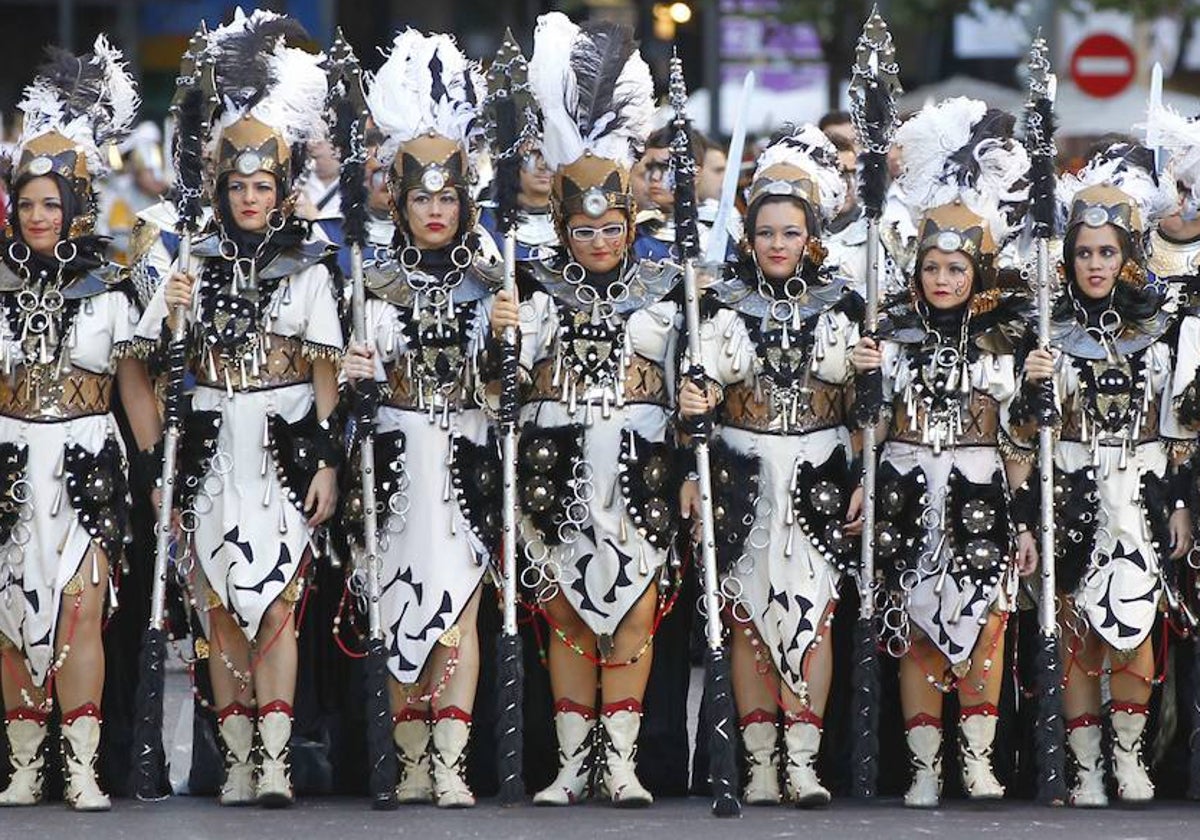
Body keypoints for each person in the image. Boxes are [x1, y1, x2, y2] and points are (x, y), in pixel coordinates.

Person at [132, 10, 341, 807]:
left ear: (281, 190)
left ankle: (280, 757)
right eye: (238, 185)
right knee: (218, 606)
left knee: (282, 603)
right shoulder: (190, 258)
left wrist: (326, 460)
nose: (251, 197)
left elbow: (326, 371)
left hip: (283, 448)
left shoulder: (310, 263)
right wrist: (159, 469)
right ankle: (240, 753)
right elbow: (144, 366)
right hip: (213, 446)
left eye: (264, 185)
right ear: (217, 188)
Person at [490, 12, 677, 807]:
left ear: (631, 223)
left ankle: (623, 758)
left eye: (611, 226)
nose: (599, 240)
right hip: (553, 462)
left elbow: (688, 389)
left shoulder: (671, 288)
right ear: (561, 229)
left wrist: (695, 404)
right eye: (583, 228)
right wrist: (501, 339)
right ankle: (572, 762)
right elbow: (502, 389)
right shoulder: (528, 285)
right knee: (564, 609)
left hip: (641, 463)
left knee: (633, 609)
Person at [850, 99, 1037, 808]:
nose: (942, 281)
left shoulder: (1004, 341)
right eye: (932, 267)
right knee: (917, 623)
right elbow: (867, 429)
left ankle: (978, 759)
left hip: (981, 486)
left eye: (956, 269)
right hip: (903, 483)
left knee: (986, 622)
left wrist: (1022, 519)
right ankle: (926, 767)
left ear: (978, 270)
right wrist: (867, 391)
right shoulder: (889, 335)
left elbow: (1015, 440)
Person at [677, 124, 859, 807]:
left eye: (790, 232)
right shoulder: (718, 303)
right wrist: (694, 407)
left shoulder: (844, 302)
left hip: (817, 475)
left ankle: (804, 759)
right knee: (748, 616)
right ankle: (756, 759)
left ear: (810, 235)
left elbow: (862, 414)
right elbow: (693, 414)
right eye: (765, 233)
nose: (777, 244)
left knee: (812, 616)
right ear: (749, 238)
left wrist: (864, 475)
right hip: (741, 476)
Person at [340, 28, 498, 809]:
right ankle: (406, 757)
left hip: (462, 457)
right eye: (420, 198)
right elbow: (339, 391)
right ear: (397, 203)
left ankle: (451, 759)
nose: (435, 211)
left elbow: (509, 393)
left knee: (458, 611)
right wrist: (357, 380)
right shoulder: (369, 282)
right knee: (395, 604)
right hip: (395, 457)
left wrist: (505, 338)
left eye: (447, 198)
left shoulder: (492, 277)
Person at [0, 37, 157, 811]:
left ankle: (84, 763)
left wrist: (162, 473)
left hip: (89, 457)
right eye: (27, 203)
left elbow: (135, 392)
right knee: (11, 610)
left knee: (81, 607)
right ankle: (25, 764)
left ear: (76, 207)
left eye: (50, 203)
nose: (37, 216)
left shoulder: (112, 285)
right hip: (9, 457)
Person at [1021, 140, 1192, 807]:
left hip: (1141, 490)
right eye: (1084, 252)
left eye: (1107, 251)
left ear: (1130, 255)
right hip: (1068, 485)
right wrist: (1029, 387)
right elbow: (1018, 433)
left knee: (1136, 622)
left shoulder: (1167, 325)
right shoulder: (1045, 326)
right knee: (1074, 625)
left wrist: (1178, 504)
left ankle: (1129, 756)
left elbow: (1181, 425)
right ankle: (1085, 763)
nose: (1095, 264)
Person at [479, 143, 558, 263]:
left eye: (552, 155)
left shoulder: (580, 223)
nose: (543, 165)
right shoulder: (481, 221)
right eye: (532, 155)